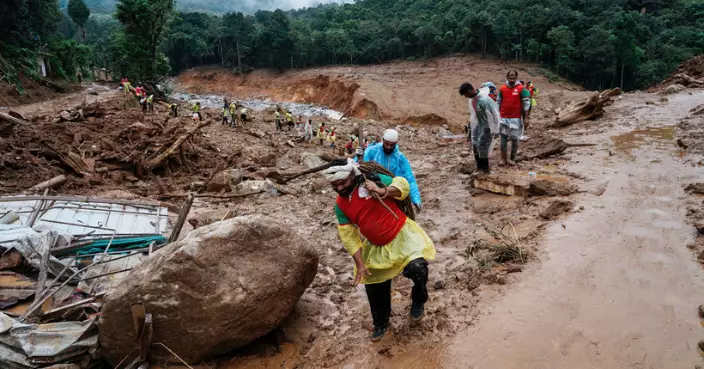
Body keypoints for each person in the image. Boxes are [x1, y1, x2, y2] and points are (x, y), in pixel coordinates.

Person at [324, 159, 436, 342]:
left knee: (418, 268)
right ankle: (381, 323)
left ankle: (418, 300)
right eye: (334, 185)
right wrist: (360, 264)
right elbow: (348, 236)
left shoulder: (373, 180)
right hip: (376, 245)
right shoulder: (341, 204)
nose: (339, 188)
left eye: (342, 183)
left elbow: (402, 186)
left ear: (352, 175)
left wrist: (382, 190)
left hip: (402, 235)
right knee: (374, 285)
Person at [363, 129, 422, 212]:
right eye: (386, 144)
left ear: (396, 143)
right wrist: (358, 156)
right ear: (383, 140)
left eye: (392, 145)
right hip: (374, 189)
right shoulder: (372, 151)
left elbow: (409, 178)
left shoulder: (400, 157)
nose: (388, 147)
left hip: (393, 192)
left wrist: (416, 199)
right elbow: (362, 166)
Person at [459, 82, 500, 174]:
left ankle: (485, 168)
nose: (466, 97)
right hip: (478, 125)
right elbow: (473, 114)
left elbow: (495, 114)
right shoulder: (473, 99)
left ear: (470, 90)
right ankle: (479, 167)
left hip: (487, 126)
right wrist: (472, 127)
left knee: (482, 146)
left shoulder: (485, 100)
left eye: (466, 94)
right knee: (475, 145)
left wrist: (496, 129)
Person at [497, 71, 530, 166]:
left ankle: (512, 158)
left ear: (516, 78)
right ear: (507, 77)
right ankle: (503, 159)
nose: (512, 80)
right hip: (503, 117)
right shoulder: (502, 88)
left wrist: (526, 118)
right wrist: (497, 115)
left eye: (513, 78)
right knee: (503, 138)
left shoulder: (521, 88)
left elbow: (527, 104)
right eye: (510, 78)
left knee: (515, 139)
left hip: (515, 118)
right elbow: (498, 102)